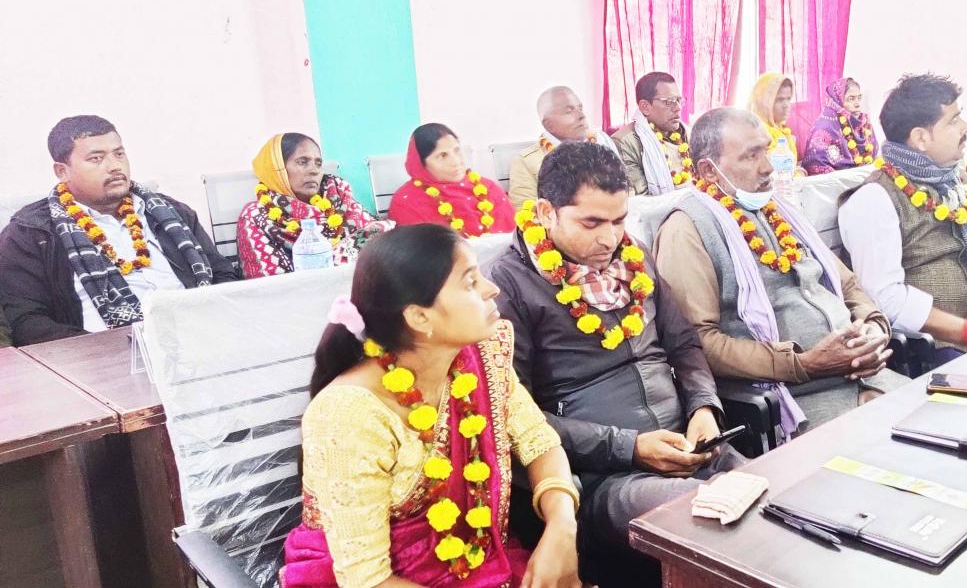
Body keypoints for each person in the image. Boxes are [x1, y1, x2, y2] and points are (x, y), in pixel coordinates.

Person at [485, 142, 742, 586]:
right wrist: (630, 447)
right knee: (709, 518)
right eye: (592, 223)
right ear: (546, 212)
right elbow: (515, 418)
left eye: (619, 220)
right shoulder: (508, 285)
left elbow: (684, 345)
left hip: (687, 445)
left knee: (771, 494)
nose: (610, 238)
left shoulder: (632, 255)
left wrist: (704, 407)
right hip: (602, 478)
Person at [282, 224, 580, 588]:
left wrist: (562, 525)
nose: (492, 289)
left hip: (476, 565)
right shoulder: (349, 414)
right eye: (470, 282)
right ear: (419, 317)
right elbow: (365, 579)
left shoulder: (481, 359)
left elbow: (539, 442)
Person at [653, 108, 906, 436]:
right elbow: (699, 342)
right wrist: (805, 363)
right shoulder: (686, 229)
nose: (768, 167)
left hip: (872, 377)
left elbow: (847, 285)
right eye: (751, 156)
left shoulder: (779, 210)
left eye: (766, 149)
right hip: (800, 398)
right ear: (708, 170)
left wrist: (873, 326)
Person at [0, 115, 238, 346]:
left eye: (119, 154)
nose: (114, 166)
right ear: (62, 171)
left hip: (202, 340)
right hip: (102, 358)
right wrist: (104, 349)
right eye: (96, 158)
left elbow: (223, 276)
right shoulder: (31, 233)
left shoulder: (171, 212)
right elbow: (27, 323)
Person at [837, 74, 967, 365]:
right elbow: (884, 299)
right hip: (936, 350)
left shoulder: (957, 180)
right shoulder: (874, 199)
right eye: (954, 120)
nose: (966, 127)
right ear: (921, 138)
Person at [237, 133, 383, 278]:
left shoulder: (340, 199)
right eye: (302, 162)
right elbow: (269, 284)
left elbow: (382, 243)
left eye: (318, 163)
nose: (314, 170)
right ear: (276, 169)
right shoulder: (256, 216)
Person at [389, 123, 516, 237]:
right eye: (442, 155)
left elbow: (516, 238)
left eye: (457, 150)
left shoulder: (488, 188)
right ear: (421, 164)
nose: (456, 161)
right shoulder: (407, 202)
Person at [508, 87, 619, 209]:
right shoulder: (526, 162)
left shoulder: (602, 143)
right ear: (548, 124)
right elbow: (527, 214)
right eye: (569, 111)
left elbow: (626, 191)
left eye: (580, 108)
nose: (582, 115)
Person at [611, 72, 692, 195]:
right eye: (669, 102)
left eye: (679, 100)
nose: (678, 108)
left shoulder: (685, 132)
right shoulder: (624, 143)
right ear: (645, 107)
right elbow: (641, 200)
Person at [802, 77, 879, 175]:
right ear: (838, 100)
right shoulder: (825, 126)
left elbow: (872, 156)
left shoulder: (864, 124)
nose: (857, 104)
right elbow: (816, 163)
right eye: (851, 99)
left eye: (859, 98)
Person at [746, 73, 805, 177]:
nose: (786, 105)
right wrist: (798, 173)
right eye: (780, 100)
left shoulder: (781, 130)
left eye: (788, 99)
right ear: (763, 102)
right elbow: (773, 175)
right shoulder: (757, 133)